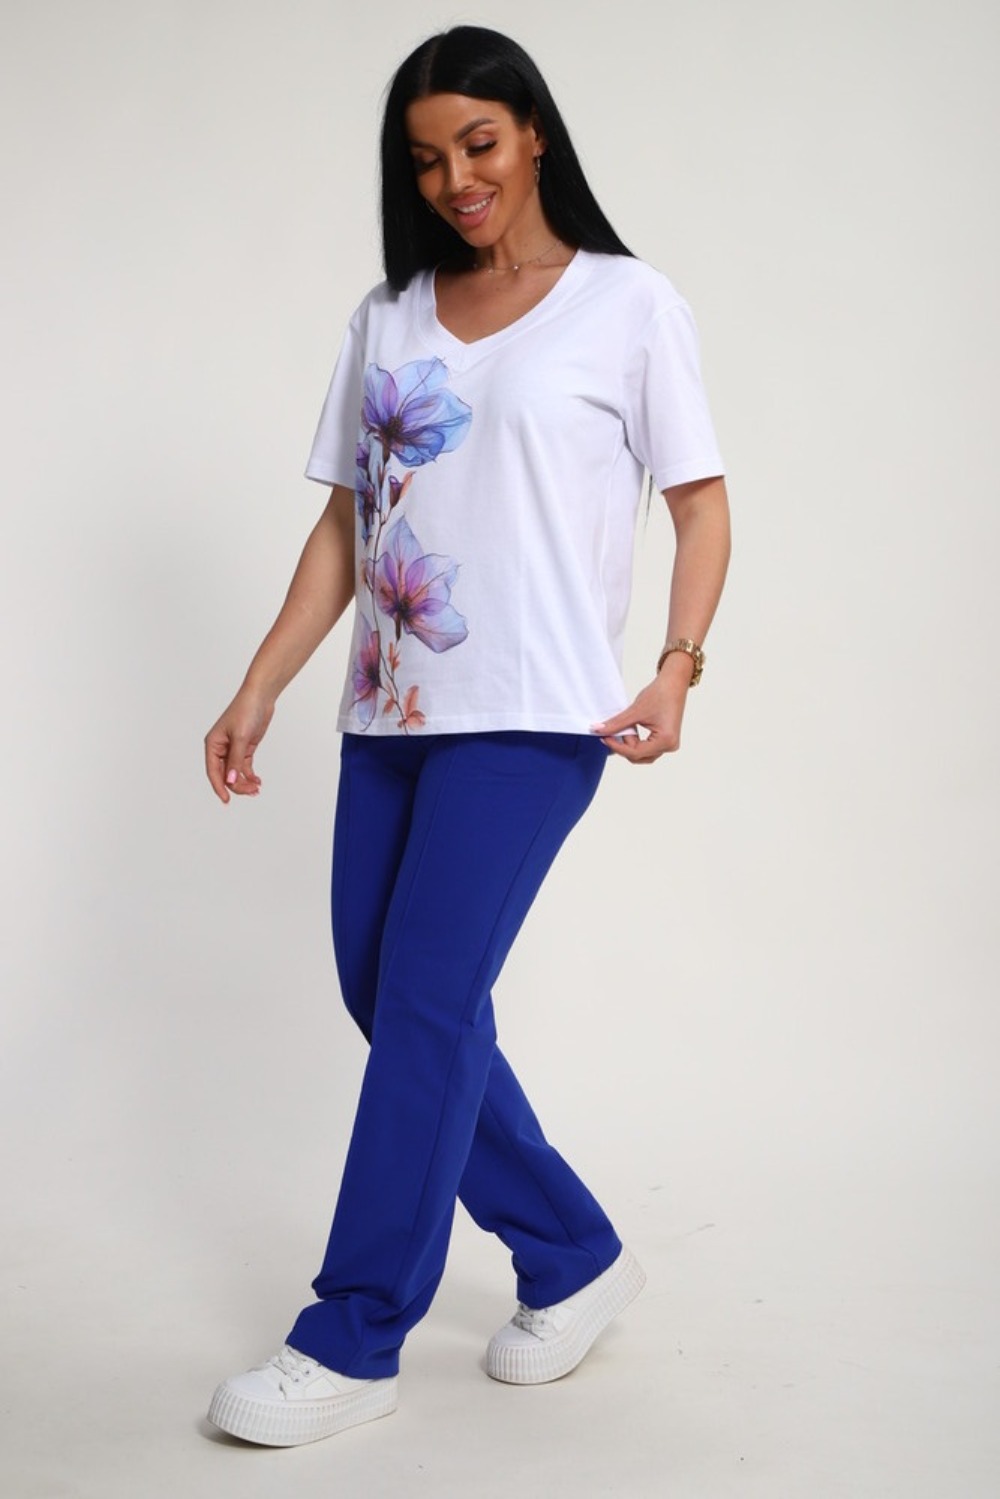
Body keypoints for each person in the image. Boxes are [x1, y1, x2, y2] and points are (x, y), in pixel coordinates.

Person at [203, 24, 730, 1448]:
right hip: (389, 709)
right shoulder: (387, 314)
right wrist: (262, 684)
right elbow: (347, 526)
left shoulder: (628, 305)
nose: (455, 180)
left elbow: (700, 506)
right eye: (428, 159)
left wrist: (677, 666)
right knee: (386, 992)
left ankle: (354, 1334)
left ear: (535, 133)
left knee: (428, 998)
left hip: (539, 714)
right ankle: (573, 1253)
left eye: (479, 145)